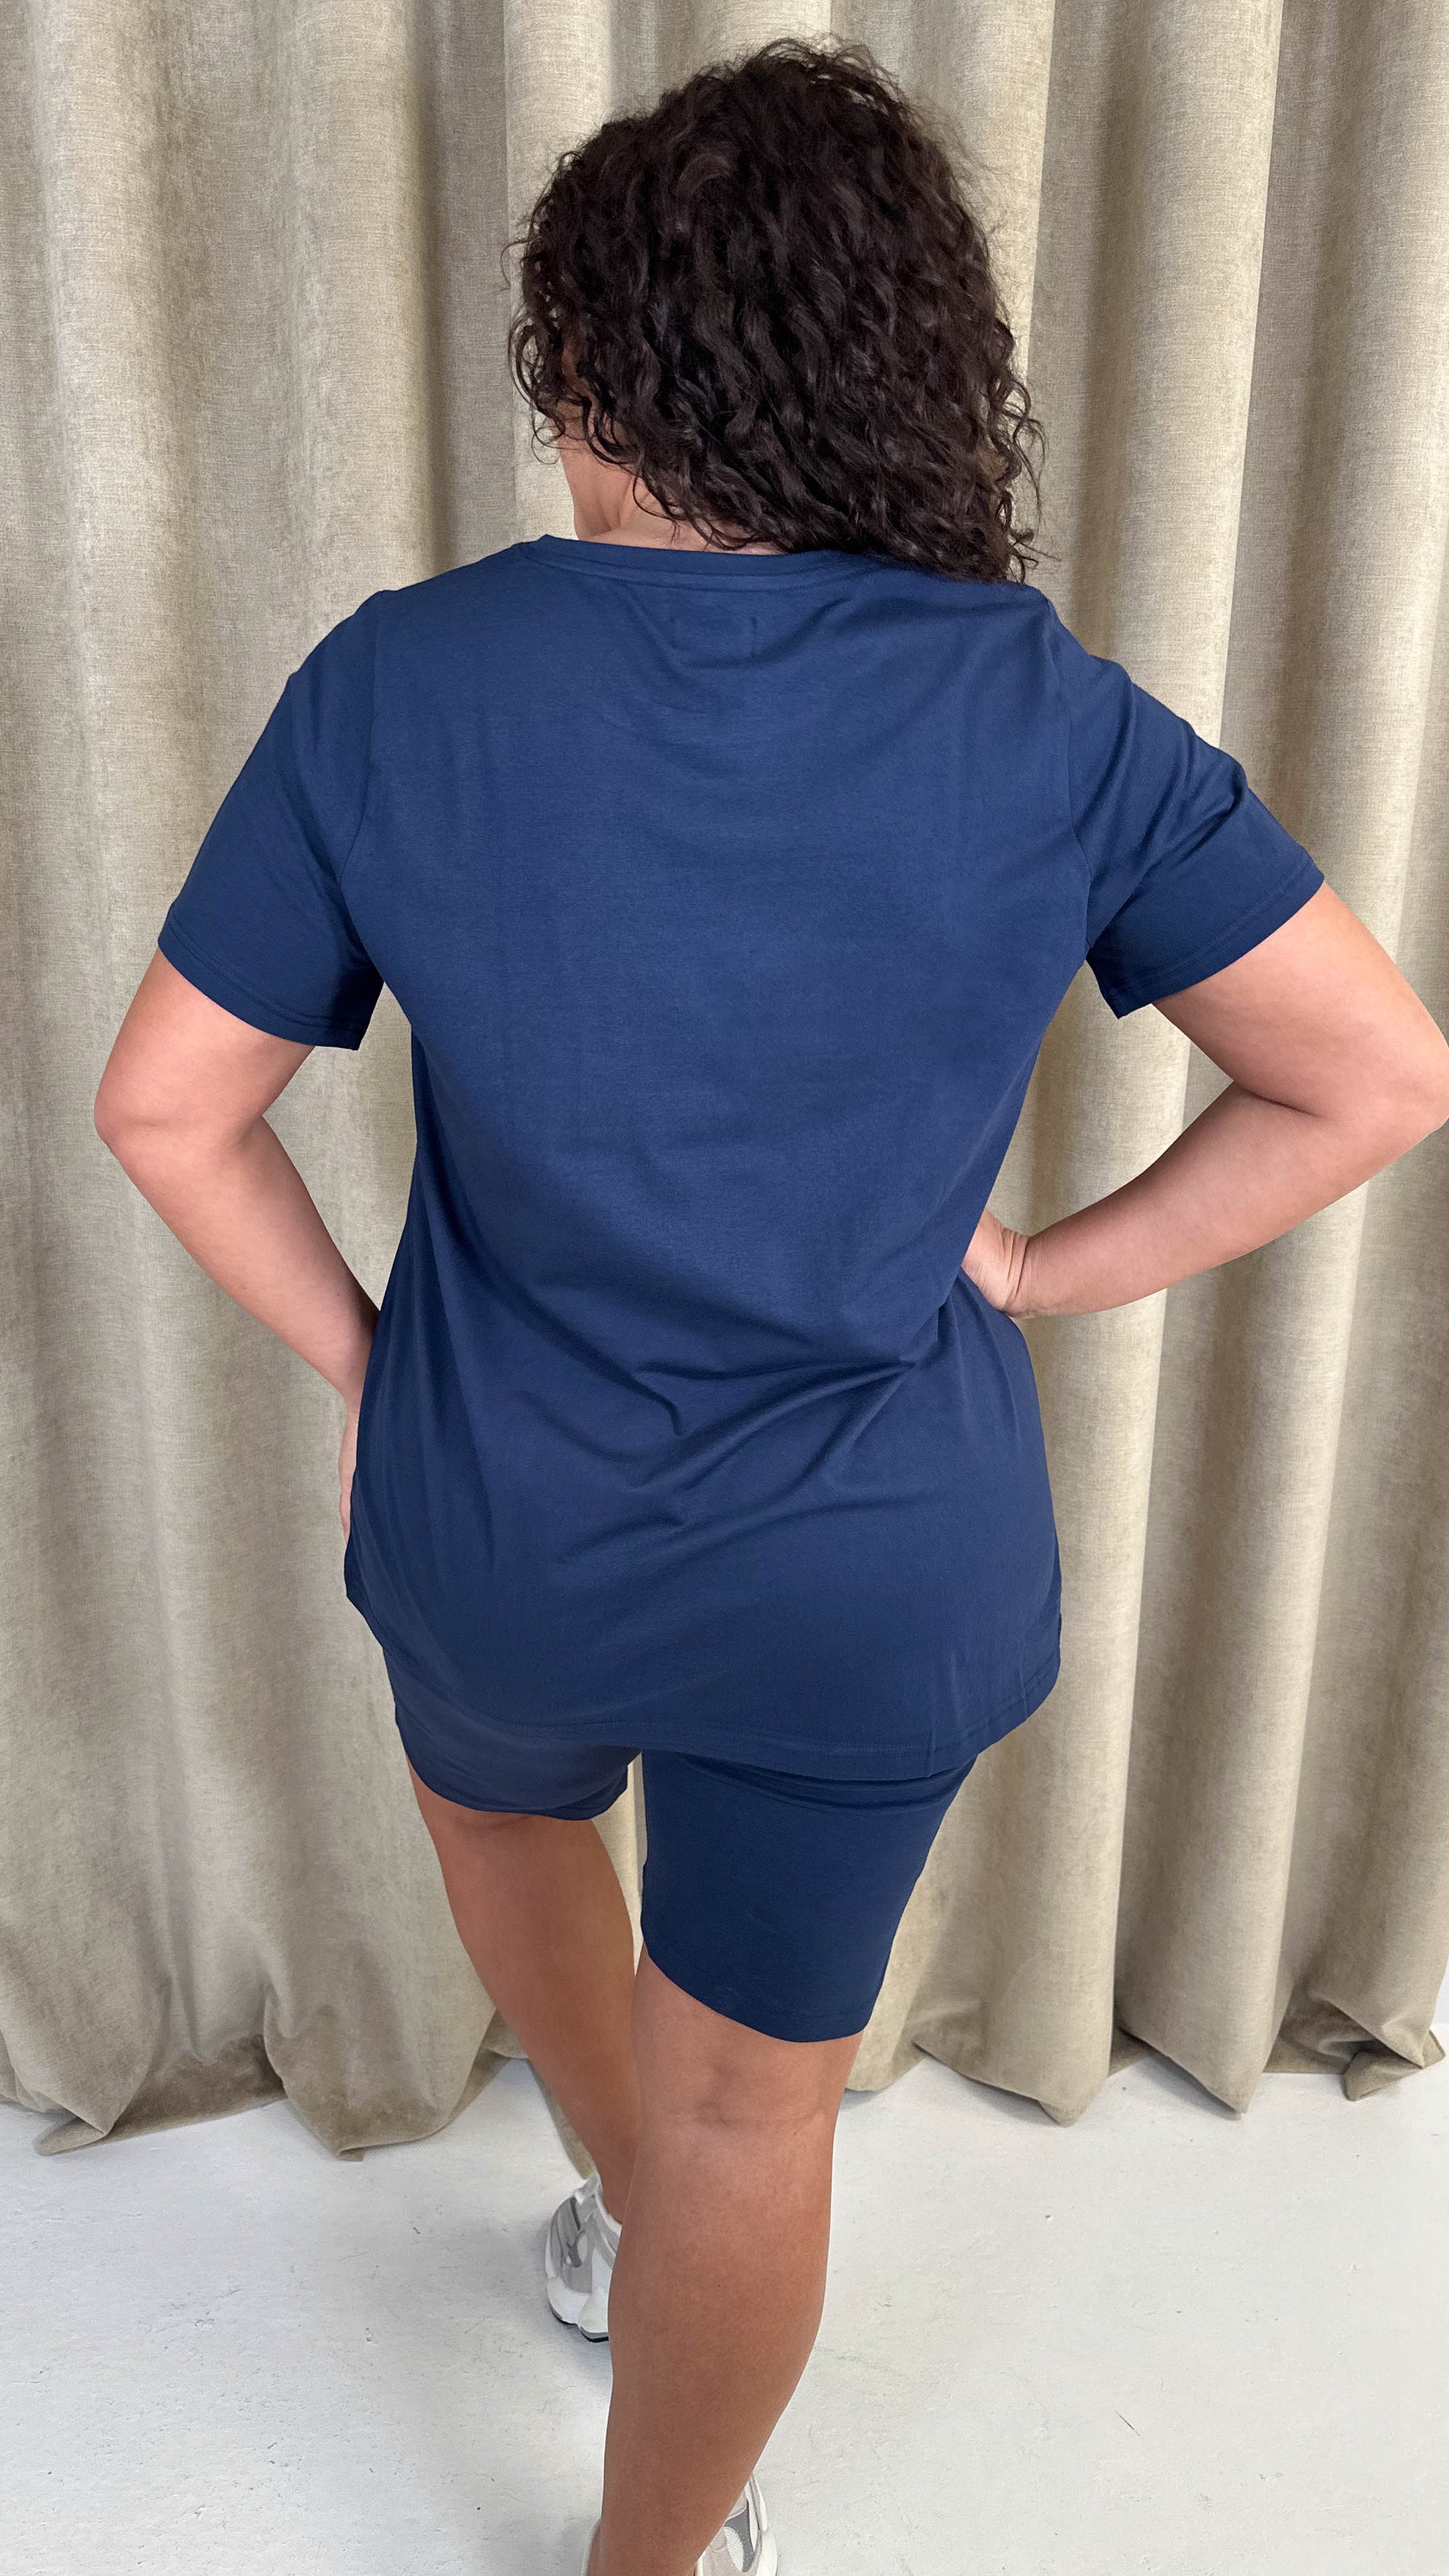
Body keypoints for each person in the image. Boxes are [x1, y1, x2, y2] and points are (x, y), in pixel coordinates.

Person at [93, 33, 1449, 2576]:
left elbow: (164, 1109)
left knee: (504, 1815)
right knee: (760, 2112)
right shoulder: (1043, 709)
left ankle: (623, 2194)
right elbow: (1376, 1072)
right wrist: (1043, 1265)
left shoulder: (403, 678)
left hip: (501, 1521)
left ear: (594, 368)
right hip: (871, 1566)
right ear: (887, 379)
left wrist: (389, 1369)